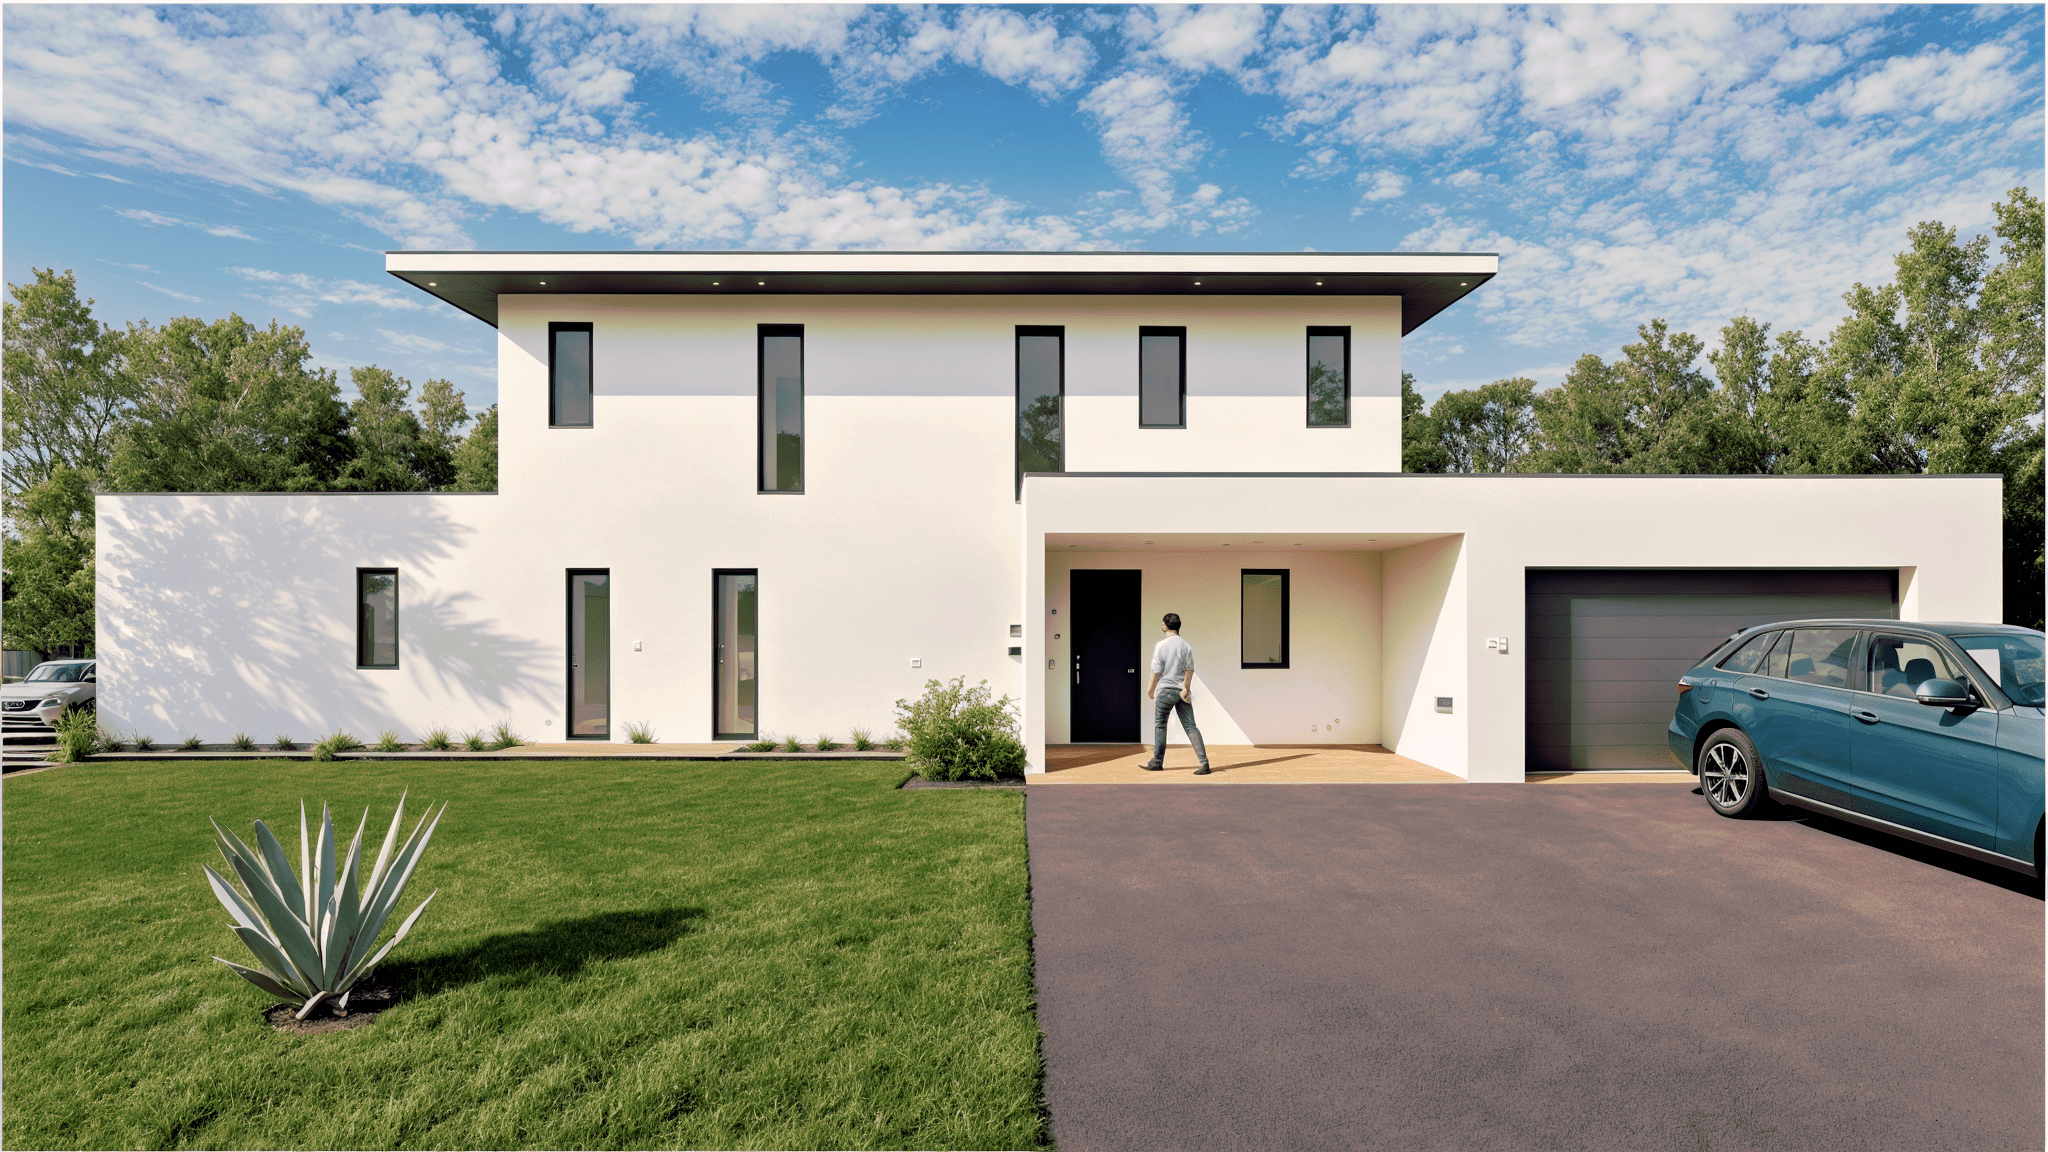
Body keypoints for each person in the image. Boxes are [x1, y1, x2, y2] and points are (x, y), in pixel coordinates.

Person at [1142, 612, 1212, 774]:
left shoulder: (1161, 645)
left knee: (1160, 725)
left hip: (1165, 691)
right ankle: (1204, 763)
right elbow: (1190, 669)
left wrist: (1150, 690)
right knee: (1190, 726)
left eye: (1162, 623)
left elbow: (1156, 671)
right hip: (1181, 691)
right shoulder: (1186, 646)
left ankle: (1157, 762)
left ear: (1165, 626)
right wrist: (1186, 688)